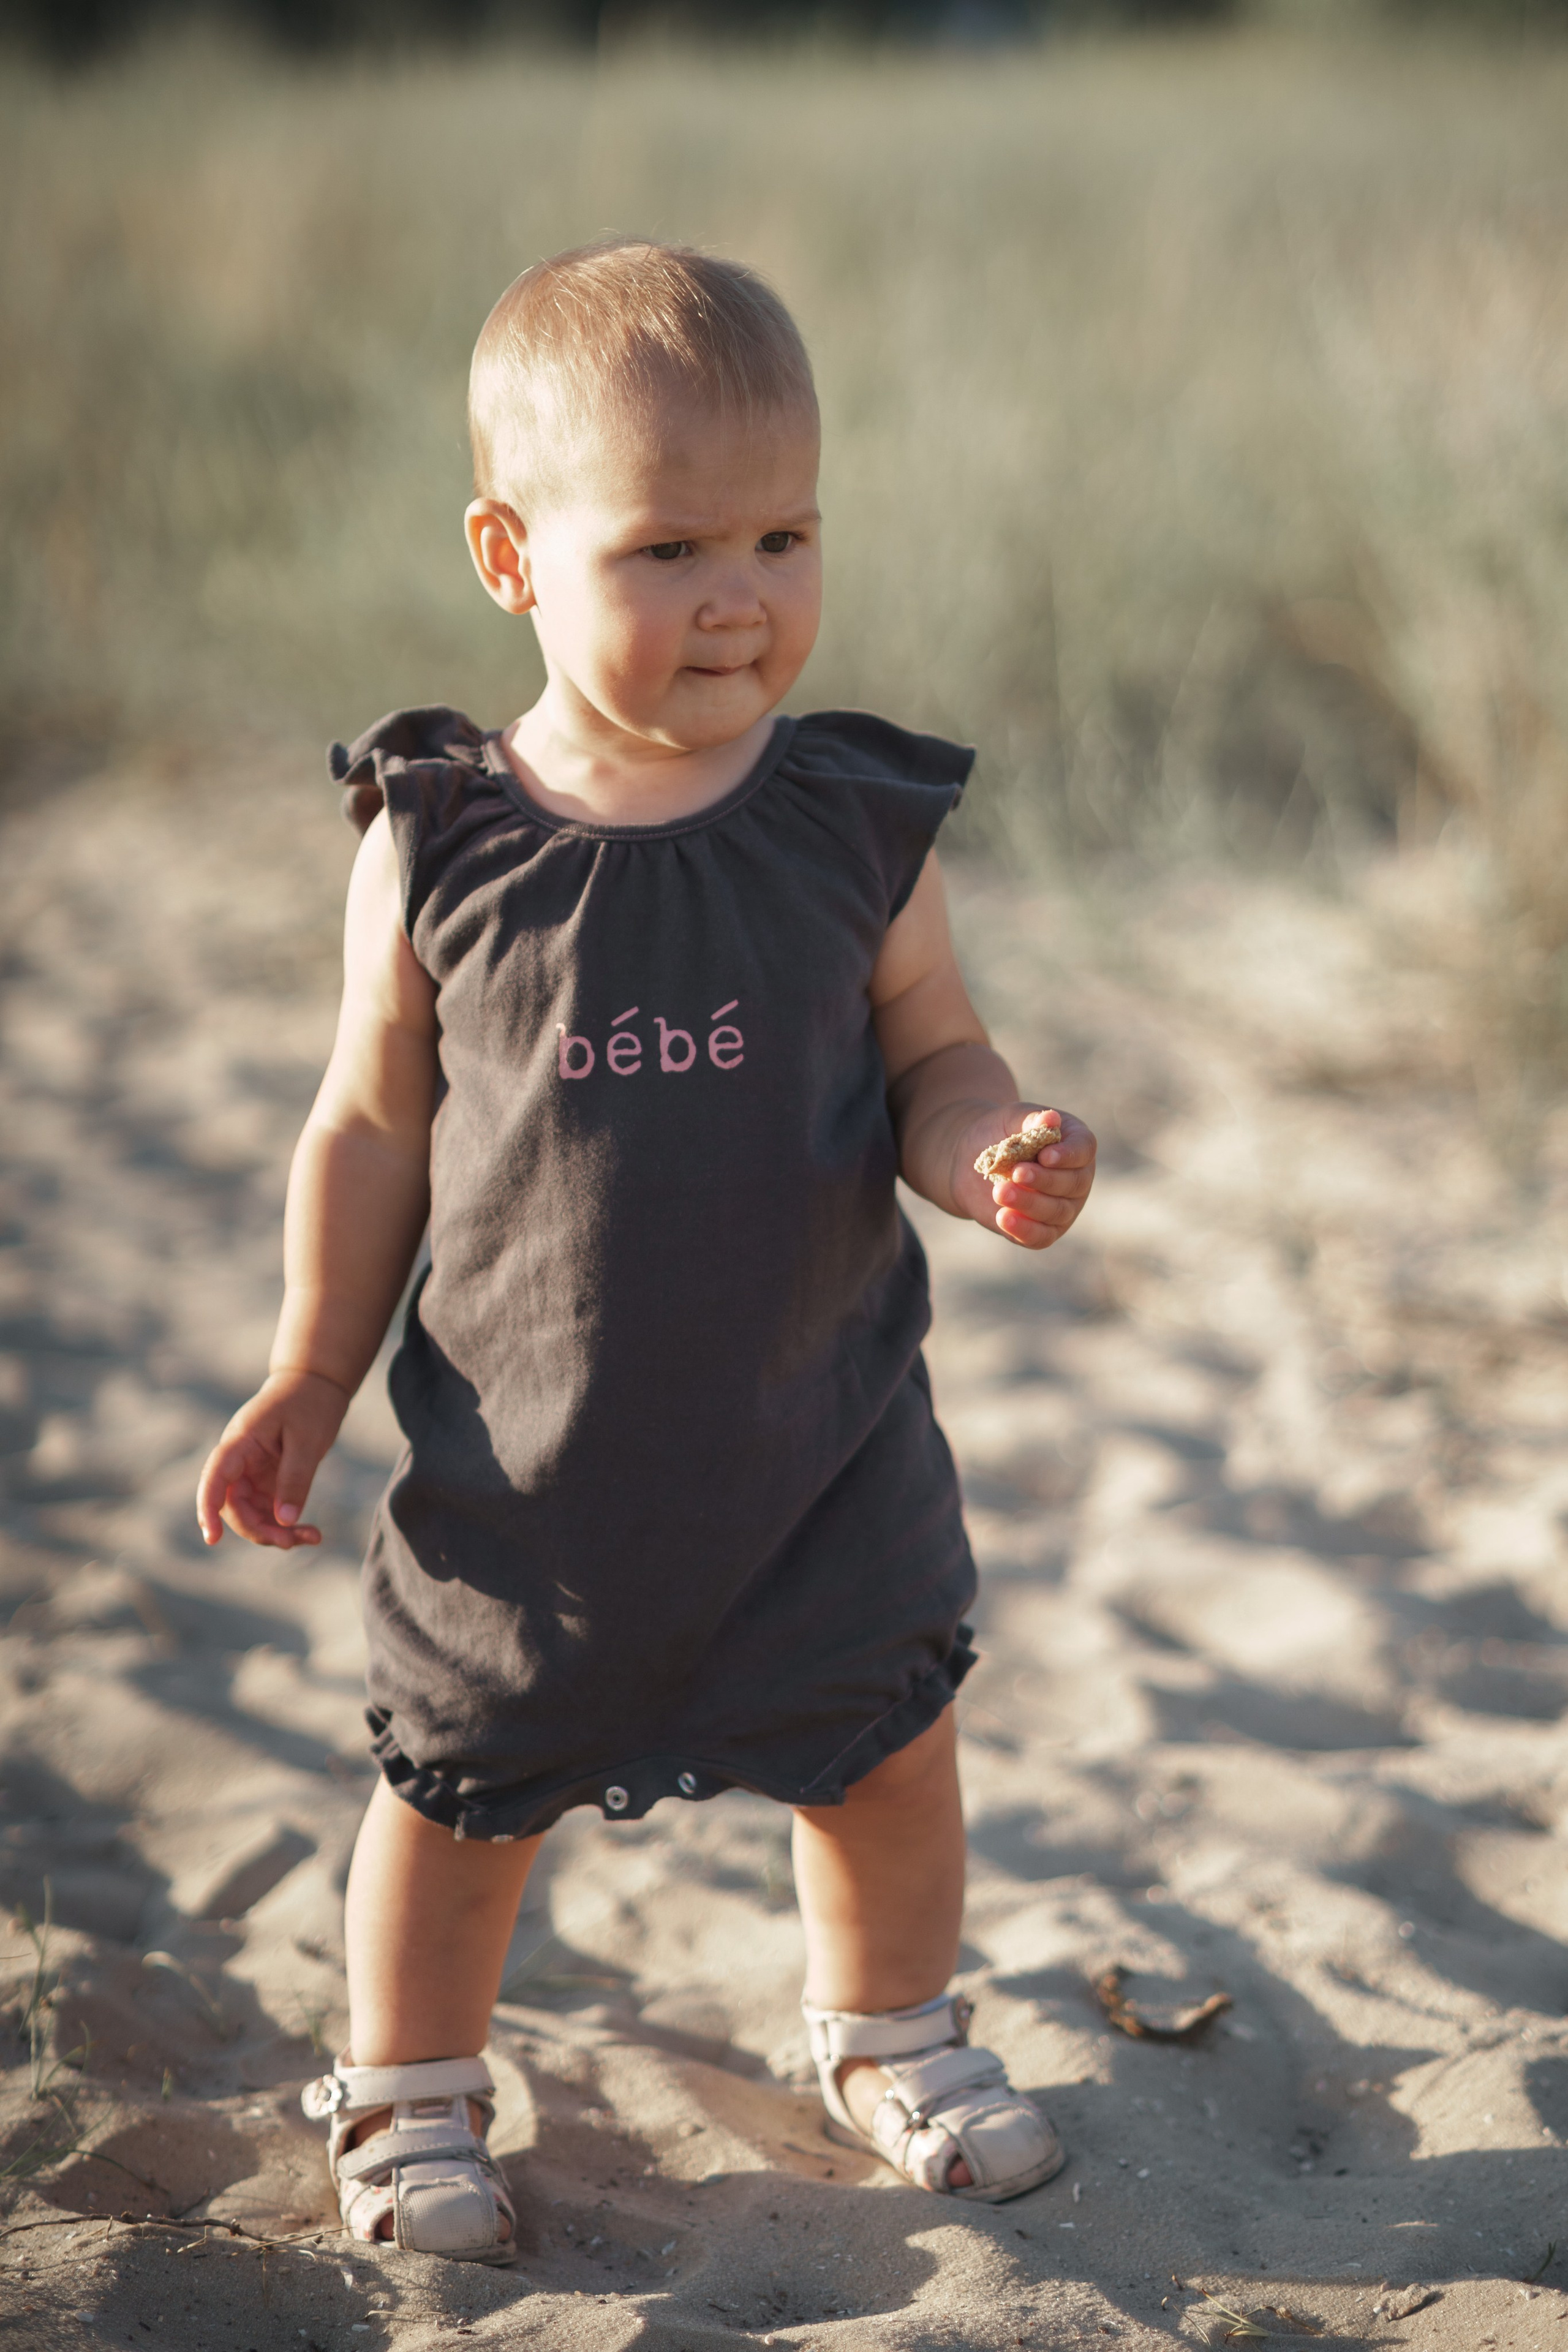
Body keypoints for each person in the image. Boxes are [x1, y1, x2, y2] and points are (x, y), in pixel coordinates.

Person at [195, 239, 1096, 2263]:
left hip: (818, 1442)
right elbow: (368, 1123)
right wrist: (311, 1370)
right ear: (510, 558)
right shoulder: (439, 836)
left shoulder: (852, 822)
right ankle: (413, 2084)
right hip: (532, 1475)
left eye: (784, 535)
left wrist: (989, 1153)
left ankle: (892, 2034)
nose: (741, 594)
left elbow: (937, 1054)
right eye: (672, 547)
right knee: (457, 1789)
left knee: (887, 1751)